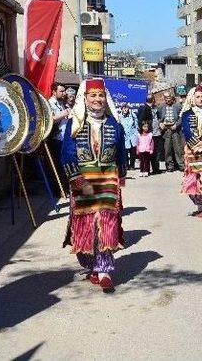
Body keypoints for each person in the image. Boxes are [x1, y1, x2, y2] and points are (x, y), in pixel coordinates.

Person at [61, 78, 127, 292]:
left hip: (108, 178)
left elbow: (121, 152)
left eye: (101, 95)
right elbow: (67, 153)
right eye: (93, 95)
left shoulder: (114, 124)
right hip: (84, 179)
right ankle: (91, 264)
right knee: (88, 224)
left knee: (106, 223)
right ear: (85, 98)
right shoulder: (76, 122)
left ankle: (104, 269)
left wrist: (122, 174)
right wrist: (75, 178)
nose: (98, 99)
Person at [180, 85, 202, 219]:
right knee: (192, 180)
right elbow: (187, 131)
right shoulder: (186, 114)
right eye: (198, 97)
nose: (200, 99)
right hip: (192, 151)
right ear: (192, 98)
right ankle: (199, 206)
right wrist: (196, 145)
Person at [48, 82, 70, 191]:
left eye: (64, 91)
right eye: (61, 91)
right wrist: (65, 113)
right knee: (57, 165)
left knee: (64, 164)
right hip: (56, 139)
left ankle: (64, 187)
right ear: (54, 92)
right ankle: (58, 189)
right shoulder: (49, 103)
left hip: (64, 138)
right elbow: (51, 119)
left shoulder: (61, 103)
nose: (64, 93)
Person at [156, 91, 184, 172]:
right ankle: (169, 166)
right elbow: (157, 117)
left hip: (175, 129)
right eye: (166, 98)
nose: (168, 100)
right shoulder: (160, 107)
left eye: (169, 98)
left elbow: (181, 117)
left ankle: (181, 165)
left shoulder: (177, 106)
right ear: (164, 99)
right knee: (167, 149)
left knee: (178, 148)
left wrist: (177, 124)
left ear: (172, 98)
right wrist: (160, 123)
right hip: (166, 130)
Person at [119, 104, 138, 170]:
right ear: (121, 109)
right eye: (124, 108)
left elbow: (136, 125)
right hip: (125, 137)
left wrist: (136, 134)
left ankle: (132, 165)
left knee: (133, 152)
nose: (125, 109)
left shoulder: (132, 115)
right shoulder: (119, 116)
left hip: (132, 136)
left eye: (127, 108)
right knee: (125, 152)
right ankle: (126, 165)